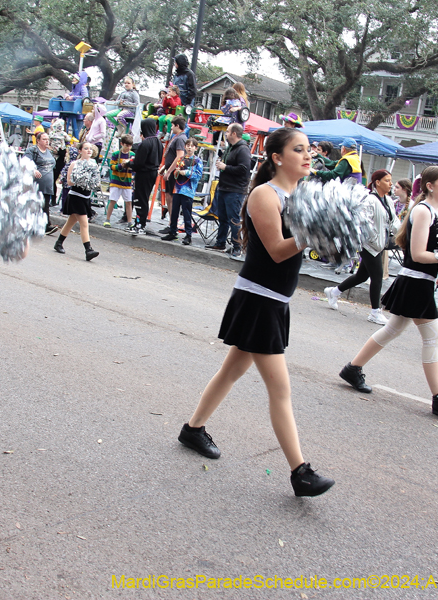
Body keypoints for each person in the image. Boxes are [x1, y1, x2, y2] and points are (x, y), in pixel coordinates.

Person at [177, 127, 335, 497]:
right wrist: (315, 232)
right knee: (280, 389)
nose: (308, 155)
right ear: (277, 157)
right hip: (259, 298)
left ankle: (193, 429)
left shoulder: (302, 195)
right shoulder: (266, 195)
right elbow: (279, 250)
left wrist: (332, 237)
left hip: (275, 300)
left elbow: (304, 250)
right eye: (299, 150)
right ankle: (300, 472)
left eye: (309, 149)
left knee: (231, 370)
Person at [338, 166, 438, 417]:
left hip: (422, 281)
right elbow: (419, 254)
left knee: (393, 329)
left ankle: (352, 368)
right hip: (416, 281)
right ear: (430, 186)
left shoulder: (437, 212)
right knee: (432, 337)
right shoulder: (422, 211)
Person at [325, 170, 399, 324]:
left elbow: (394, 222)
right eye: (387, 180)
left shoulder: (388, 200)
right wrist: (372, 240)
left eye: (391, 180)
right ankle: (375, 312)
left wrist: (402, 235)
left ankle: (334, 292)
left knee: (362, 276)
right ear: (377, 182)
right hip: (369, 245)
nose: (390, 184)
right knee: (377, 277)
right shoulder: (370, 200)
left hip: (379, 245)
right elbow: (364, 222)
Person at [206, 123, 252, 257]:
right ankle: (220, 242)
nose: (225, 134)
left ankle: (237, 246)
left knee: (234, 219)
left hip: (235, 189)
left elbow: (244, 169)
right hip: (224, 187)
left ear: (234, 134)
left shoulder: (243, 149)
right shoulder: (230, 148)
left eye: (227, 132)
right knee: (223, 217)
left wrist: (225, 167)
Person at [53, 141, 101, 260]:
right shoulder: (74, 164)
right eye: (86, 148)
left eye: (90, 149)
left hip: (86, 197)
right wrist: (81, 180)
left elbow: (96, 182)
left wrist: (92, 182)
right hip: (76, 196)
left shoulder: (93, 165)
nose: (89, 150)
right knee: (84, 223)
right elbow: (69, 182)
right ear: (80, 151)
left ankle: (58, 243)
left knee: (70, 222)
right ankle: (88, 250)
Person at [125, 118, 162, 235]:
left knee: (139, 199)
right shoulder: (158, 142)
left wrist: (128, 164)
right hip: (153, 172)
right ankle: (140, 223)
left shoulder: (145, 143)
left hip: (143, 173)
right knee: (144, 198)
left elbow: (138, 163)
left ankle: (140, 224)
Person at [162, 137, 203, 244]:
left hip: (188, 191)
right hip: (177, 189)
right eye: (188, 145)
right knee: (174, 212)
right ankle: (172, 231)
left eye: (192, 146)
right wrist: (176, 173)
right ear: (185, 147)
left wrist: (187, 173)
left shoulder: (197, 161)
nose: (189, 148)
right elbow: (176, 173)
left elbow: (198, 175)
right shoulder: (181, 159)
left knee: (186, 213)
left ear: (196, 148)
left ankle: (188, 235)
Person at [24, 131, 60, 236]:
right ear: (38, 140)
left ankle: (45, 226)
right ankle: (40, 225)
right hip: (36, 184)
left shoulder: (49, 152)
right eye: (44, 139)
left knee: (45, 205)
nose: (47, 141)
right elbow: (26, 162)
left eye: (48, 139)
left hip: (48, 184)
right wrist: (33, 170)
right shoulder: (33, 151)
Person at [159, 116, 187, 230]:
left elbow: (179, 156)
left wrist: (169, 171)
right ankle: (171, 222)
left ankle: (172, 223)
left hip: (174, 172)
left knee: (171, 197)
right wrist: (164, 168)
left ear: (177, 126)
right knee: (169, 196)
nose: (171, 128)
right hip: (170, 169)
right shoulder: (176, 137)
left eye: (172, 125)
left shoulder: (180, 139)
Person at [104, 134, 135, 228]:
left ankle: (130, 221)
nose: (128, 148)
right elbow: (112, 166)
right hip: (116, 181)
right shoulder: (116, 154)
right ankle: (107, 219)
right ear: (122, 144)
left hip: (127, 181)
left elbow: (135, 167)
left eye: (130, 146)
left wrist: (131, 166)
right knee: (112, 200)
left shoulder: (133, 155)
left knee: (128, 202)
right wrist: (121, 166)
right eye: (126, 145)